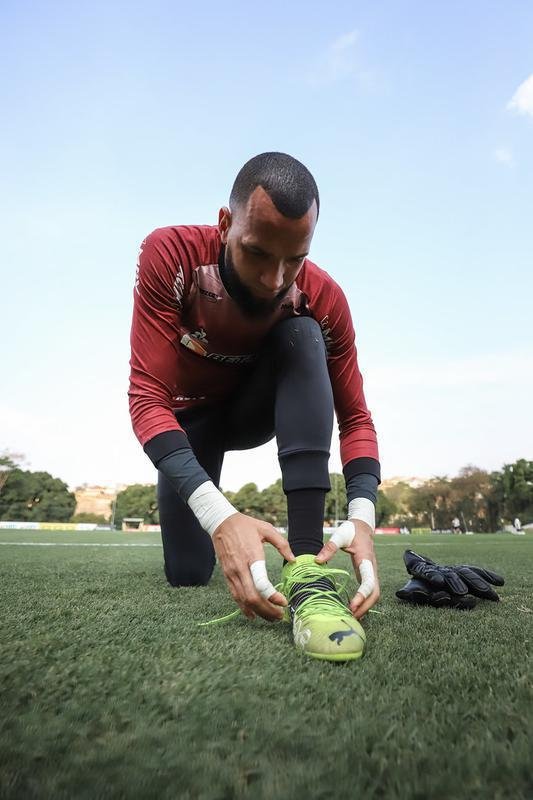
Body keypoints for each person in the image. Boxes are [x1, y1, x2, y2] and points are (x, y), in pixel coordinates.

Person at [128, 152, 381, 662]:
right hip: (193, 420)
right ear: (225, 224)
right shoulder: (171, 254)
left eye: (295, 259)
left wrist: (362, 515)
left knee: (304, 333)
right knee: (186, 574)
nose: (275, 278)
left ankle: (307, 567)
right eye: (258, 253)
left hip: (254, 409)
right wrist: (220, 517)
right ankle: (210, 534)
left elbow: (355, 416)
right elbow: (146, 396)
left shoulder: (322, 295)